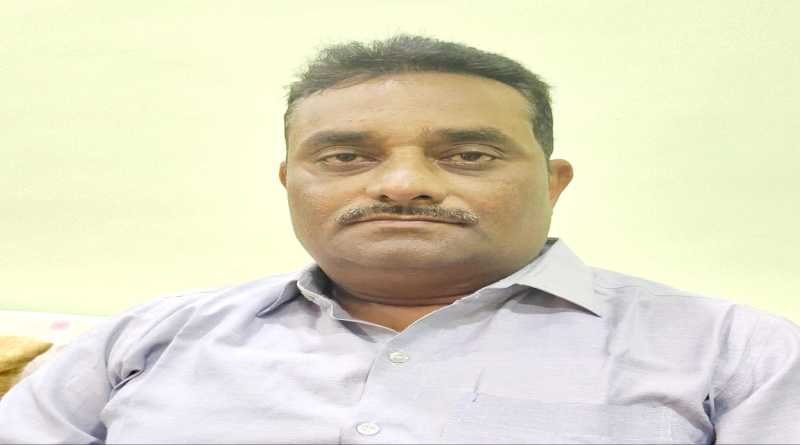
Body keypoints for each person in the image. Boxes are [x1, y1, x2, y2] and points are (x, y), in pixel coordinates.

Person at [1, 34, 798, 444]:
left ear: (553, 183)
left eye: (469, 155)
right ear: (289, 182)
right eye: (346, 157)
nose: (403, 184)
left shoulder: (737, 354)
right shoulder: (143, 342)